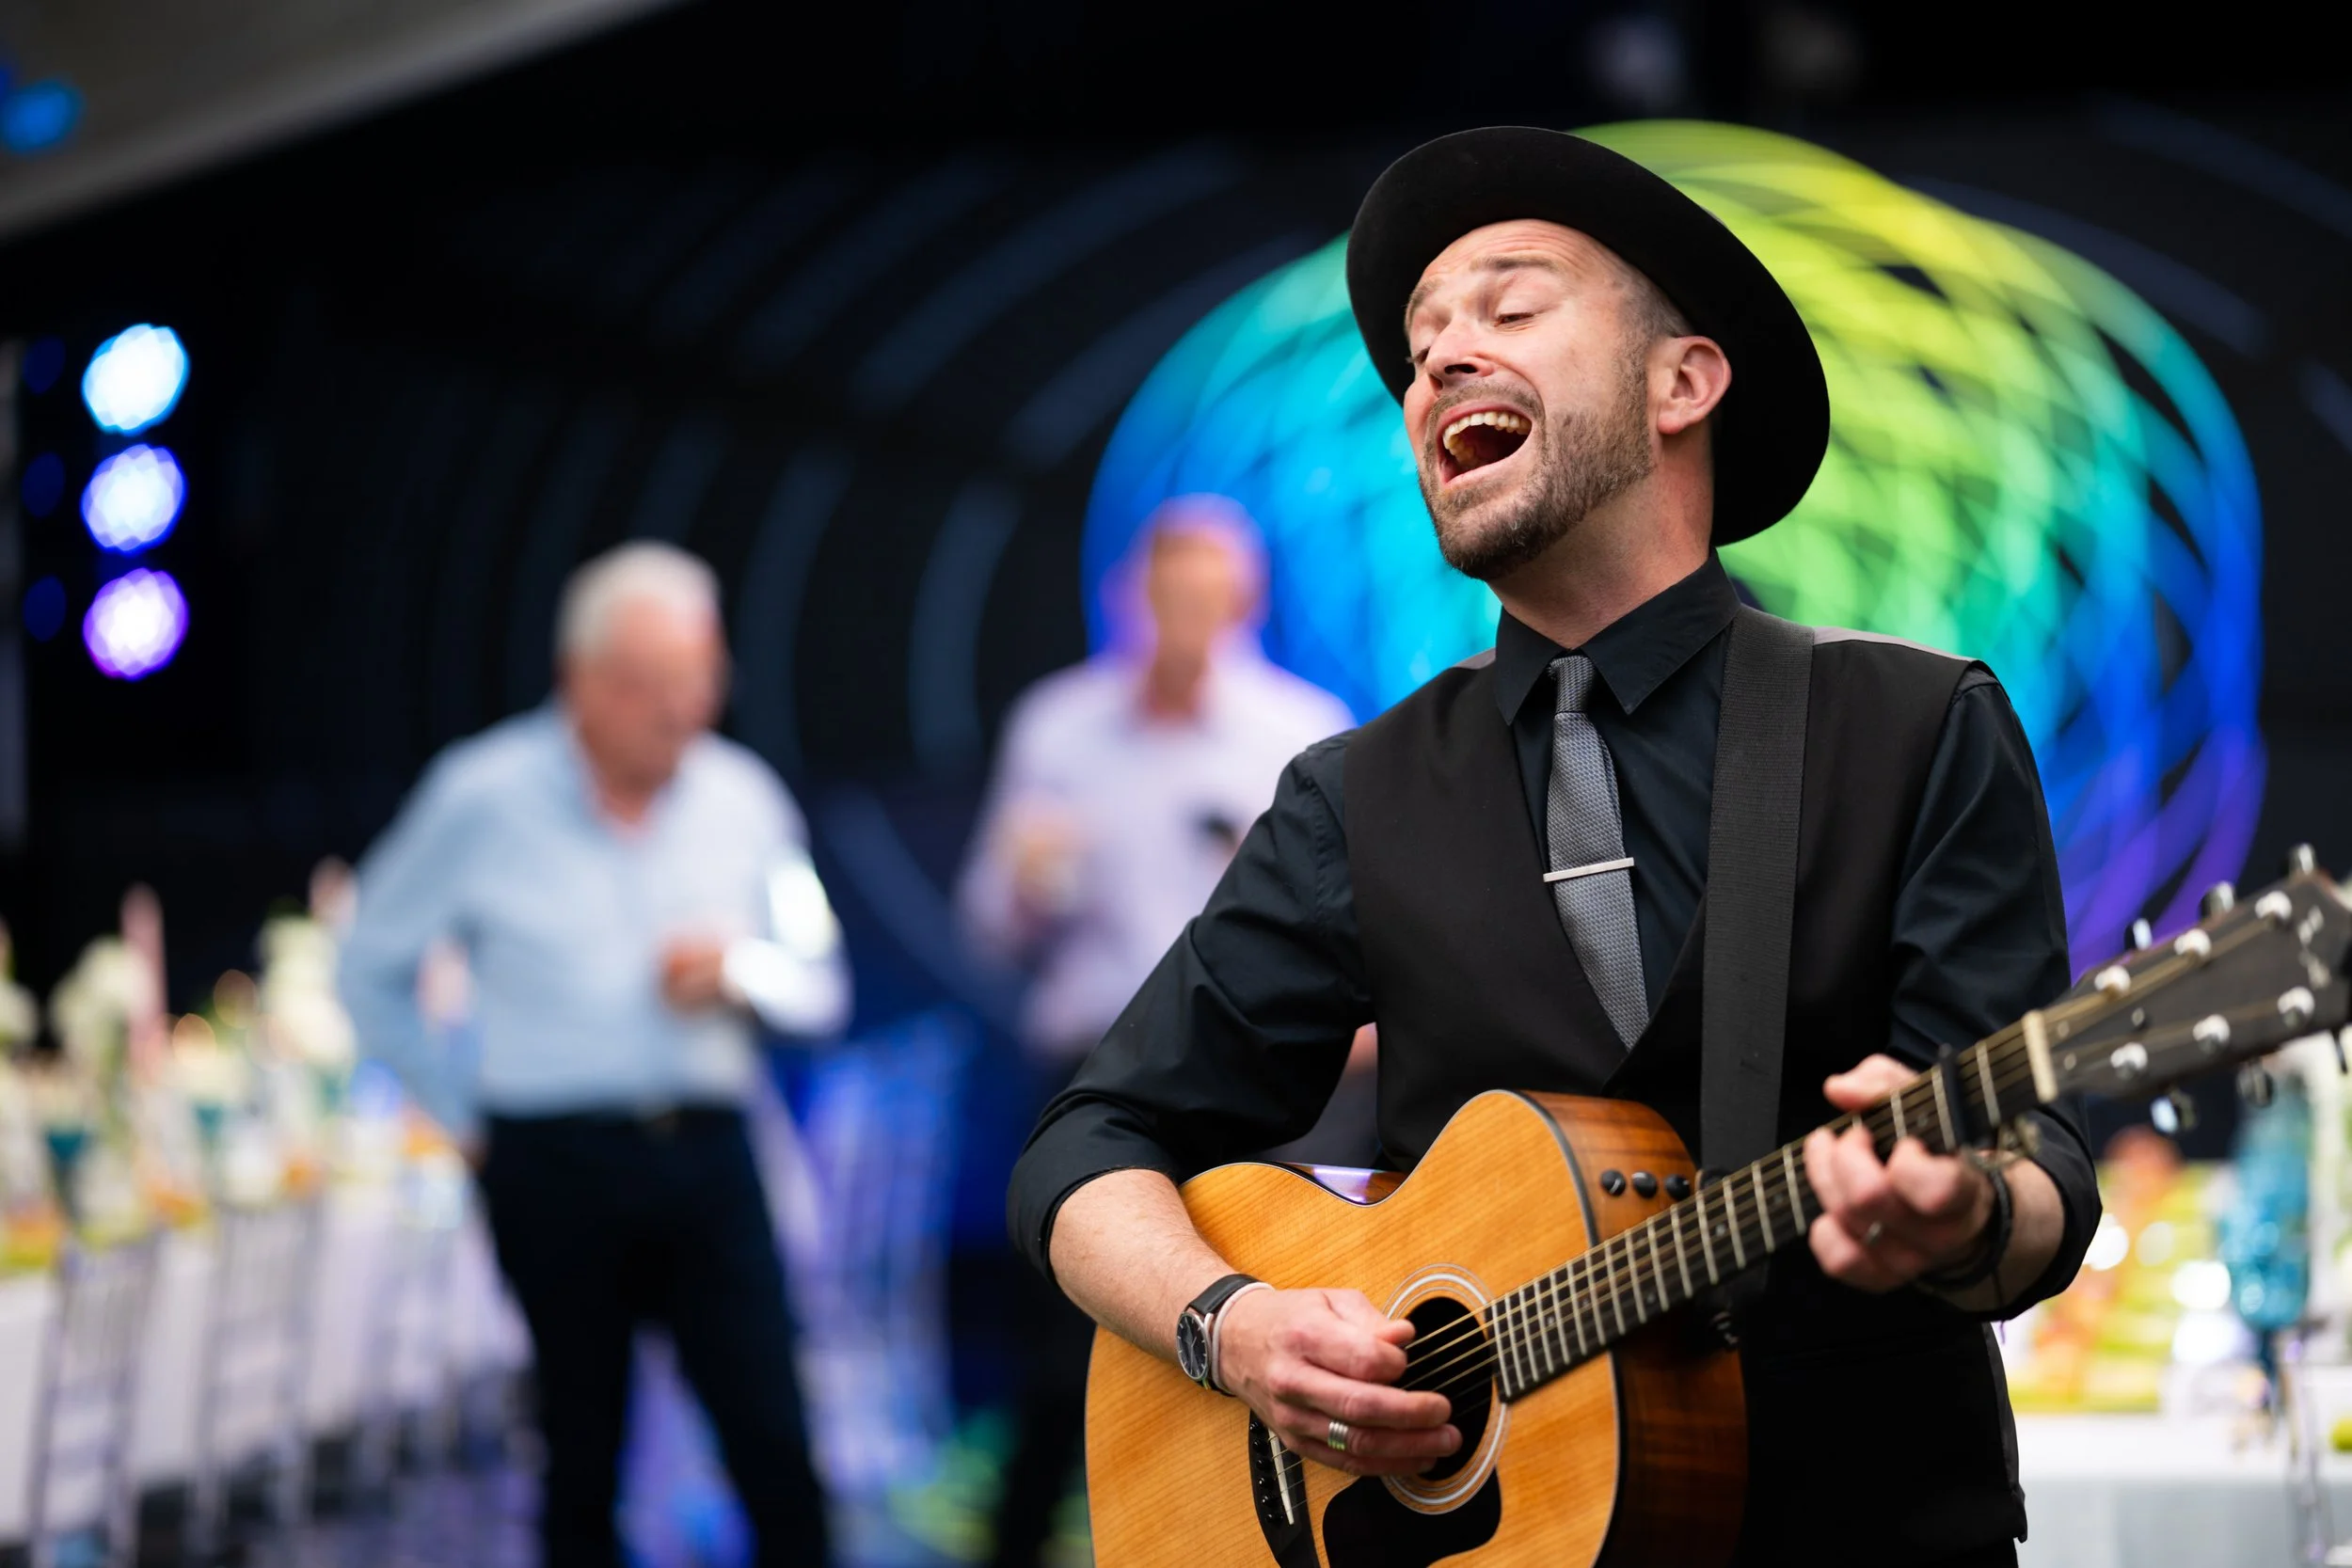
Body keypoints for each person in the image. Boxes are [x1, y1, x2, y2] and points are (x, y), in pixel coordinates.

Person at [1007, 128, 2100, 1568]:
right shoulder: (1356, 790)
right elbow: (1087, 1148)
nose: (1442, 358)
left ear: (1683, 382)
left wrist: (1962, 1216)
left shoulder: (1914, 722)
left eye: (1511, 308)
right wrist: (1237, 1326)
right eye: (1418, 344)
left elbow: (2042, 1180)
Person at [339, 542, 850, 1568]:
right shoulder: (480, 794)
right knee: (581, 1460)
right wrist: (469, 1116)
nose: (678, 711)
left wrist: (742, 968)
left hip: (707, 1152)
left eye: (697, 681)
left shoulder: (741, 796)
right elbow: (366, 968)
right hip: (550, 1161)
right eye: (649, 686)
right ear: (581, 680)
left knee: (776, 1447)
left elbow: (819, 981)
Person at [959, 498, 1351, 1568]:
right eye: (1166, 586)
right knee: (1055, 1351)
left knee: (1235, 1322)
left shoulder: (1300, 731)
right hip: (1084, 1069)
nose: (1184, 610)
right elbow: (989, 925)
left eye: (1207, 588)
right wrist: (1028, 880)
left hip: (1243, 1078)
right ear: (1129, 593)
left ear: (1245, 599)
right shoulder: (1057, 724)